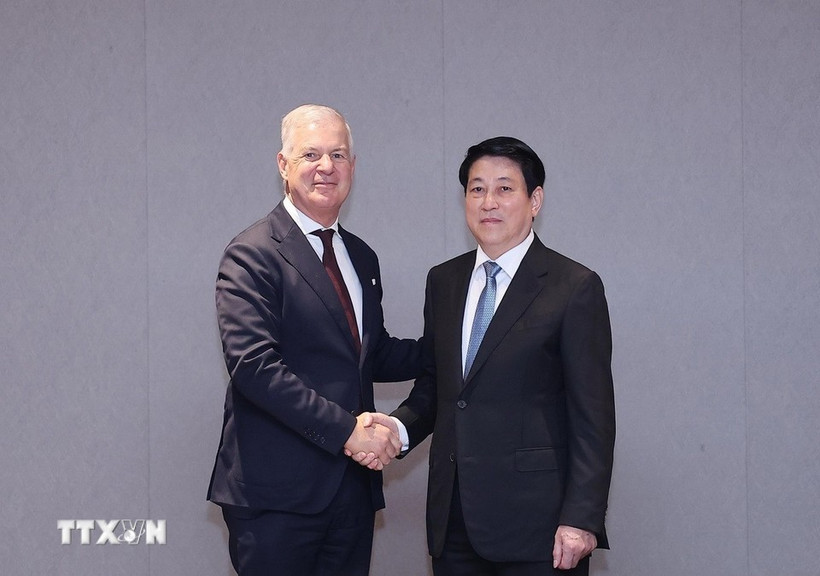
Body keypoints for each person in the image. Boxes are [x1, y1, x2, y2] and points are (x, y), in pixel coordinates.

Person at [365, 136, 615, 575]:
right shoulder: (443, 281)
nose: (488, 202)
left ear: (534, 199)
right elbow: (441, 386)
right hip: (454, 521)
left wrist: (582, 518)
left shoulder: (574, 286)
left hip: (540, 528)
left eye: (504, 188)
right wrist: (397, 429)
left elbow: (593, 417)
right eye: (476, 189)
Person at [207, 104, 421, 575]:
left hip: (350, 495)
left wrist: (458, 344)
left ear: (353, 167)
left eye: (338, 155)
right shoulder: (253, 254)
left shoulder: (361, 257)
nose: (326, 167)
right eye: (311, 154)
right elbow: (254, 369)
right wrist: (349, 432)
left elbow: (370, 354)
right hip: (275, 498)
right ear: (283, 165)